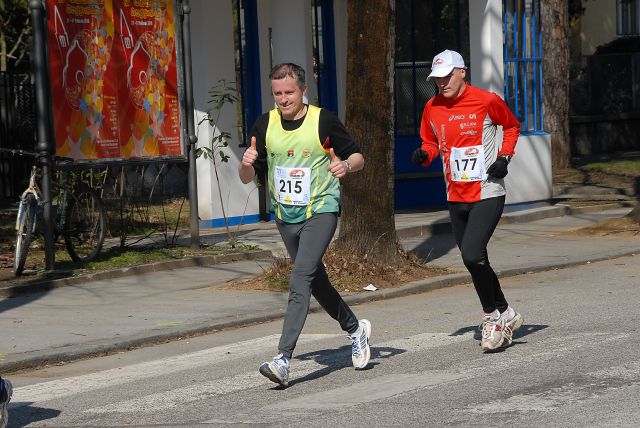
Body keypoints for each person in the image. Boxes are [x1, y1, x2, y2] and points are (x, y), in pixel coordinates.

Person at [239, 63, 371, 387]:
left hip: (321, 209)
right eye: (278, 93)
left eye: (289, 93)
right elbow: (248, 176)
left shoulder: (322, 120)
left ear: (303, 91)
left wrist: (345, 167)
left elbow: (358, 157)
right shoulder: (264, 125)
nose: (283, 99)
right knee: (316, 281)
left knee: (299, 277)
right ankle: (356, 329)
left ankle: (283, 360)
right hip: (286, 215)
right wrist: (245, 165)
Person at [412, 49, 524, 352]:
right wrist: (425, 154)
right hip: (455, 194)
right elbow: (430, 142)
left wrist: (504, 157)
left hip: (487, 191)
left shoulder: (487, 101)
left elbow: (512, 126)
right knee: (478, 261)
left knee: (472, 255)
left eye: (447, 76)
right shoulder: (432, 107)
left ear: (462, 72)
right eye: (437, 79)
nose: (442, 83)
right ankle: (507, 312)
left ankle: (492, 319)